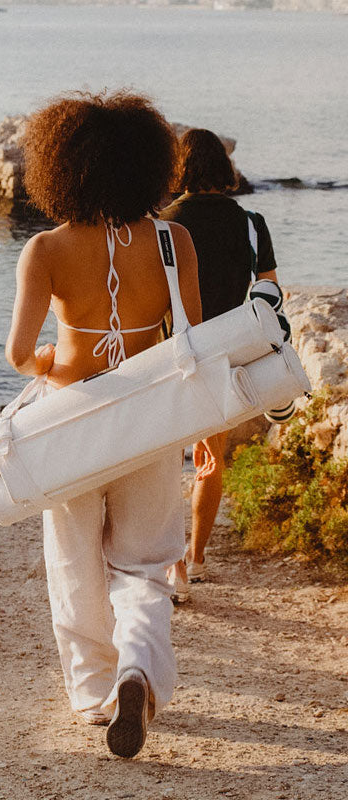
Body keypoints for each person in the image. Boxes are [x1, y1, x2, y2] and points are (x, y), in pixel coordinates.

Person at [4, 90, 215, 758]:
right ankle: (138, 670)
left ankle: (97, 693)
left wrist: (52, 360)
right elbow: (197, 343)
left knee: (74, 562)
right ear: (150, 166)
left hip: (71, 418)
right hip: (149, 421)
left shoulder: (46, 249)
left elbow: (19, 356)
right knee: (147, 563)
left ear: (62, 167)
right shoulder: (175, 240)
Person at [159, 129, 280, 602]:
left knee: (168, 463)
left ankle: (174, 568)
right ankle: (198, 556)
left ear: (180, 168)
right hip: (225, 354)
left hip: (173, 351)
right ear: (223, 169)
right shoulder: (251, 223)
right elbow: (269, 291)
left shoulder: (164, 224)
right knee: (212, 459)